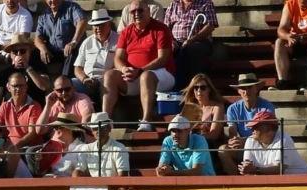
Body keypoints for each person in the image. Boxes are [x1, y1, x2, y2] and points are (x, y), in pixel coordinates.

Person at [103, 0, 175, 131]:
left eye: (140, 10)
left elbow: (163, 58)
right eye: (133, 11)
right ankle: (104, 120)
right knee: (110, 75)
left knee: (146, 76)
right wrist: (124, 69)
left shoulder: (160, 29)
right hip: (134, 76)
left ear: (148, 11)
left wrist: (140, 70)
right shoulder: (126, 32)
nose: (136, 13)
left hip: (162, 74)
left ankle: (146, 120)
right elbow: (118, 58)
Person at [223, 72, 276, 166]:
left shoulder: (267, 106)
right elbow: (232, 133)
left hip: (263, 146)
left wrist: (246, 141)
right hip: (242, 146)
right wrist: (234, 141)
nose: (246, 91)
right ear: (238, 91)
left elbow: (266, 134)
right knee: (222, 150)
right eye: (243, 88)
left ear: (256, 89)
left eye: (249, 87)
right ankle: (235, 179)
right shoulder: (232, 109)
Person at [240, 109, 307, 175]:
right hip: (273, 181)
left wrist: (255, 170)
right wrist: (246, 168)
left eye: (256, 127)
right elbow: (247, 166)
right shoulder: (250, 140)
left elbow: (279, 169)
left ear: (270, 130)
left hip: (300, 179)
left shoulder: (284, 139)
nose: (252, 129)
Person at [165, 0, 217, 87]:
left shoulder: (206, 3)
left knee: (190, 50)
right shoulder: (173, 4)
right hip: (176, 42)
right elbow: (165, 27)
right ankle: (170, 86)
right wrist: (171, 41)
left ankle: (191, 86)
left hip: (199, 42)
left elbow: (210, 26)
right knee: (164, 50)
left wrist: (191, 40)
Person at [0, 33, 52, 106]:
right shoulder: (5, 72)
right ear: (11, 55)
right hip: (11, 111)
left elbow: (45, 86)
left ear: (29, 52)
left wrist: (27, 68)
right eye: (15, 52)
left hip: (34, 110)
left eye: (22, 51)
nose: (19, 54)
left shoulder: (38, 67)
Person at [34, 0, 87, 78]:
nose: (52, 1)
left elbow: (82, 21)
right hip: (53, 52)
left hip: (71, 49)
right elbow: (38, 37)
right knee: (33, 54)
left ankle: (64, 82)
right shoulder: (44, 15)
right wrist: (42, 48)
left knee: (71, 52)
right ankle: (42, 83)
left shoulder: (71, 7)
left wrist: (73, 41)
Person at [73, 8, 116, 100]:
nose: (98, 29)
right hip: (87, 80)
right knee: (68, 84)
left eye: (101, 25)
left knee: (107, 85)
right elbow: (78, 68)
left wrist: (104, 79)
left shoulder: (119, 40)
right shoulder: (87, 42)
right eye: (95, 26)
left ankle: (105, 113)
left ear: (109, 25)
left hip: (107, 81)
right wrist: (84, 79)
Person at [73, 111, 129, 177]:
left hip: (112, 186)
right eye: (95, 128)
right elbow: (78, 171)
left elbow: (122, 176)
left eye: (101, 128)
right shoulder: (87, 148)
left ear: (109, 128)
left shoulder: (119, 148)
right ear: (92, 131)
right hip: (93, 186)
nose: (98, 131)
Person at [180, 73, 228, 148]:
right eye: (196, 88)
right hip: (191, 144)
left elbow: (214, 134)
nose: (199, 90)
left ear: (209, 89)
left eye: (203, 87)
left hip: (210, 145)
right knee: (168, 140)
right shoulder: (190, 107)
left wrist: (192, 139)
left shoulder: (217, 107)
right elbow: (181, 128)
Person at [0, 71, 44, 147]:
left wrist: (14, 148)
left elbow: (32, 133)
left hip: (29, 148)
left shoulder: (34, 106)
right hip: (9, 147)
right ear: (8, 88)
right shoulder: (5, 106)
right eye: (15, 86)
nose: (18, 89)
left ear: (26, 87)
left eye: (21, 86)